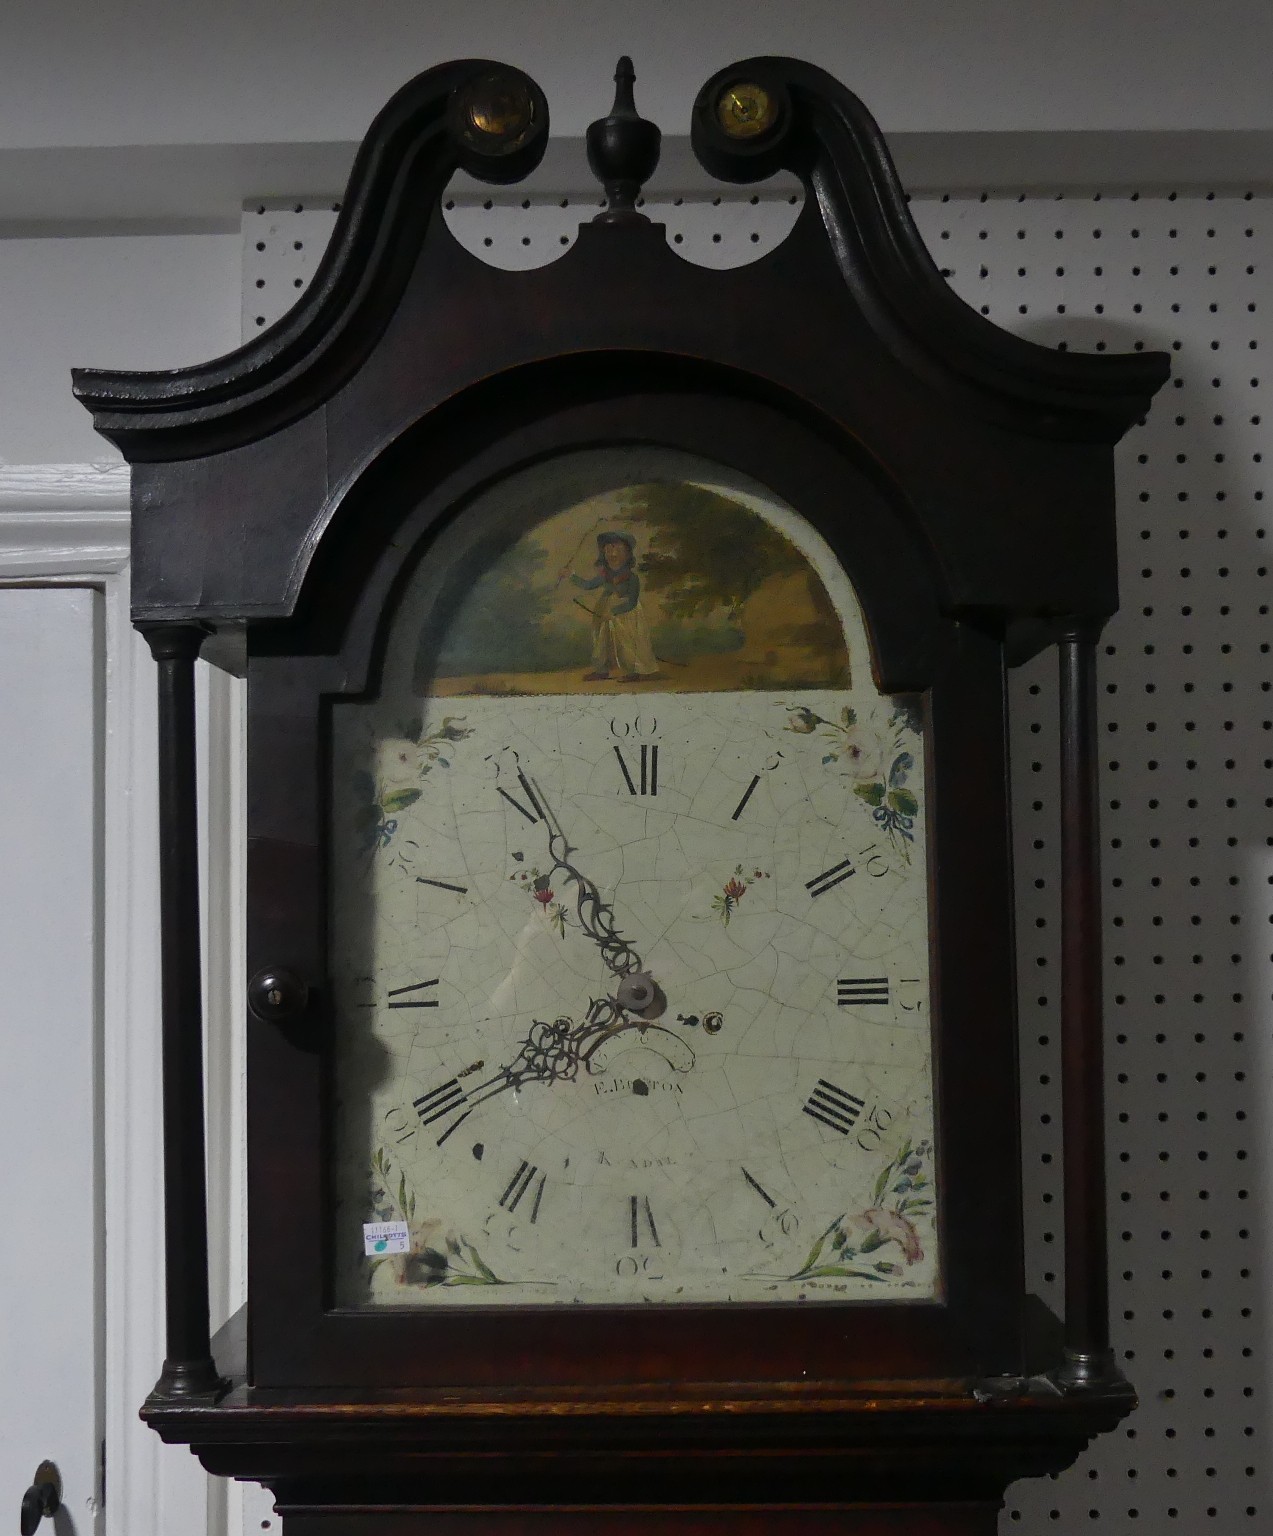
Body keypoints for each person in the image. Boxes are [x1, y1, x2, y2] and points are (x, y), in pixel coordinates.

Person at [559, 531, 661, 681]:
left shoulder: (631, 578)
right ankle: (601, 669)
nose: (613, 554)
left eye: (618, 550)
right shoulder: (605, 576)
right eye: (608, 550)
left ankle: (633, 671)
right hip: (604, 611)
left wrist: (616, 611)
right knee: (601, 639)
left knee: (627, 641)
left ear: (627, 555)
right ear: (603, 554)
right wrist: (571, 575)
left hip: (627, 615)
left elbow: (632, 602)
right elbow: (588, 585)